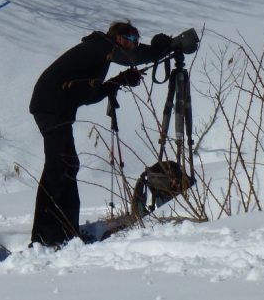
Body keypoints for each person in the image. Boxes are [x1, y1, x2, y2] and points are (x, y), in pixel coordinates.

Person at [28, 21, 173, 248]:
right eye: (133, 40)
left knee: (67, 165)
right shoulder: (100, 46)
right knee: (59, 167)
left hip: (58, 108)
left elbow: (89, 96)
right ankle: (48, 237)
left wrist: (118, 81)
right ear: (119, 38)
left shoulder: (100, 54)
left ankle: (64, 231)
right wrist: (158, 50)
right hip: (50, 106)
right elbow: (132, 57)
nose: (135, 44)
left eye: (137, 40)